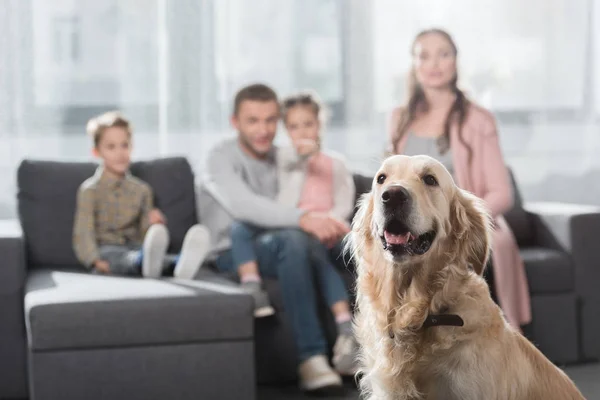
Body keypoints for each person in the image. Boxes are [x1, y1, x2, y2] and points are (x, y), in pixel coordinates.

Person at [197, 84, 355, 392]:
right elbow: (243, 206)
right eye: (253, 120)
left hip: (278, 242)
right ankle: (312, 358)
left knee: (307, 244)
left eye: (270, 120)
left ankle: (371, 346)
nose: (263, 130)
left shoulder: (280, 157)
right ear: (235, 123)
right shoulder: (218, 157)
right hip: (232, 251)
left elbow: (313, 186)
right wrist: (305, 219)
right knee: (295, 240)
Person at [386, 28, 531, 330]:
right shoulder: (398, 119)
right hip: (413, 225)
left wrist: (456, 223)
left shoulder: (478, 120)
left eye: (444, 54)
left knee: (481, 246)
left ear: (455, 61)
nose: (434, 63)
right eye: (424, 55)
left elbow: (501, 193)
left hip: (465, 224)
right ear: (414, 64)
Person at [73, 111, 210, 279]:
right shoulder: (90, 191)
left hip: (135, 246)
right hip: (107, 249)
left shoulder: (142, 190)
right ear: (97, 152)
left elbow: (146, 235)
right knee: (123, 258)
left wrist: (154, 223)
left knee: (153, 256)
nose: (120, 153)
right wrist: (94, 260)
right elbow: (83, 232)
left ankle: (178, 264)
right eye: (111, 147)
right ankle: (146, 264)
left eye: (125, 145)